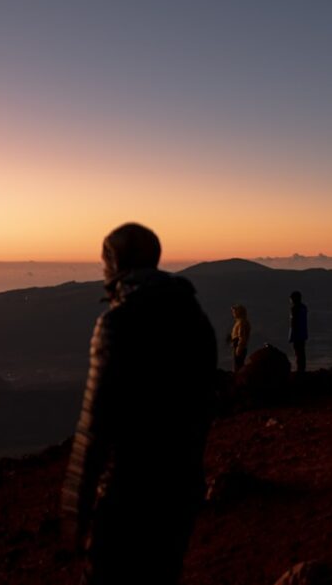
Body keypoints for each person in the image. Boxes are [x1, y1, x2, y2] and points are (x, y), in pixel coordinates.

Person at [61, 223, 217, 585]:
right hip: (182, 486)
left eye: (104, 261)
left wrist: (76, 513)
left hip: (128, 493)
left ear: (115, 263)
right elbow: (203, 405)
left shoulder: (117, 323)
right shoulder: (195, 316)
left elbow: (94, 427)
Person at [288, 291, 308, 373]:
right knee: (302, 352)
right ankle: (302, 368)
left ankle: (300, 369)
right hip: (303, 333)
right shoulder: (304, 307)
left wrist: (292, 334)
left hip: (297, 334)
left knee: (298, 352)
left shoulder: (294, 308)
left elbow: (293, 323)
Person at [228, 304, 251, 371]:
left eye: (234, 312)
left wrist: (239, 348)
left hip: (239, 346)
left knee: (238, 367)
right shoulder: (241, 322)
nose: (233, 314)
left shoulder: (241, 323)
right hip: (238, 345)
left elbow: (242, 336)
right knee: (238, 365)